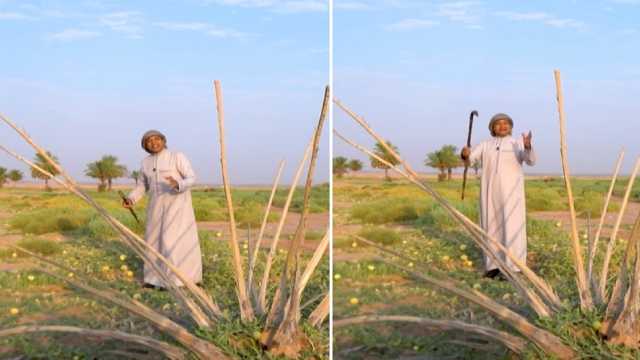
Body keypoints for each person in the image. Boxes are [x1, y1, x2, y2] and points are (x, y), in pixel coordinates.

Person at [123, 130, 202, 289]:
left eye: (157, 139)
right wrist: (131, 198)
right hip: (156, 207)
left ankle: (185, 280)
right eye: (149, 141)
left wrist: (178, 184)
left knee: (175, 241)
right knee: (153, 241)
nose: (154, 143)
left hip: (178, 206)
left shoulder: (177, 156)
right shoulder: (145, 163)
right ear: (145, 146)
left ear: (163, 141)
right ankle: (153, 280)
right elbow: (141, 186)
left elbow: (192, 178)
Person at [461, 113, 535, 279]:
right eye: (498, 124)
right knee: (491, 226)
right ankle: (492, 266)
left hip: (512, 195)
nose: (502, 126)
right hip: (490, 193)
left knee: (512, 226)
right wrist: (465, 154)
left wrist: (528, 146)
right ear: (492, 128)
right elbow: (470, 160)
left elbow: (530, 160)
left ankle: (514, 267)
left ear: (510, 126)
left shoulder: (517, 143)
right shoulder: (485, 144)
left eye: (506, 123)